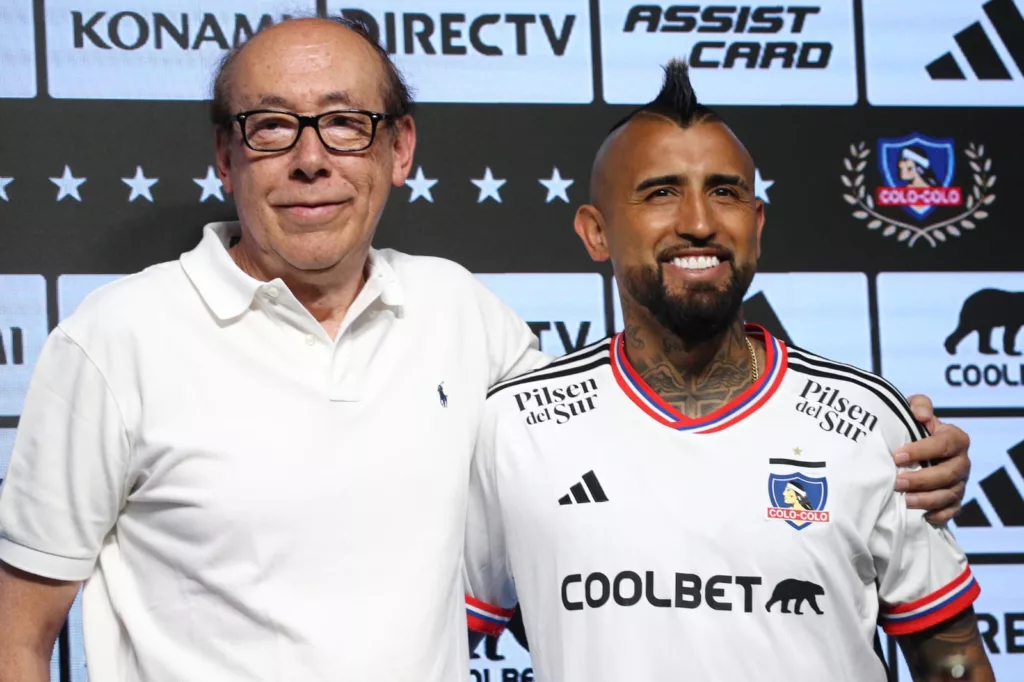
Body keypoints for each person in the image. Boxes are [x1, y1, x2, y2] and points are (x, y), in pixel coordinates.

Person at [0, 17, 969, 682]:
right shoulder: (113, 342)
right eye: (269, 128)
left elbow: (655, 429)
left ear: (400, 149)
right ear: (224, 156)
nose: (309, 157)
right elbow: (20, 628)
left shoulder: (465, 320)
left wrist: (906, 459)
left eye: (345, 123)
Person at [464, 60, 993, 681]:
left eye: (725, 191)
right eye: (661, 192)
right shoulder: (517, 427)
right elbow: (437, 643)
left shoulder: (868, 420)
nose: (699, 221)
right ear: (596, 232)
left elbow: (950, 655)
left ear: (758, 225)